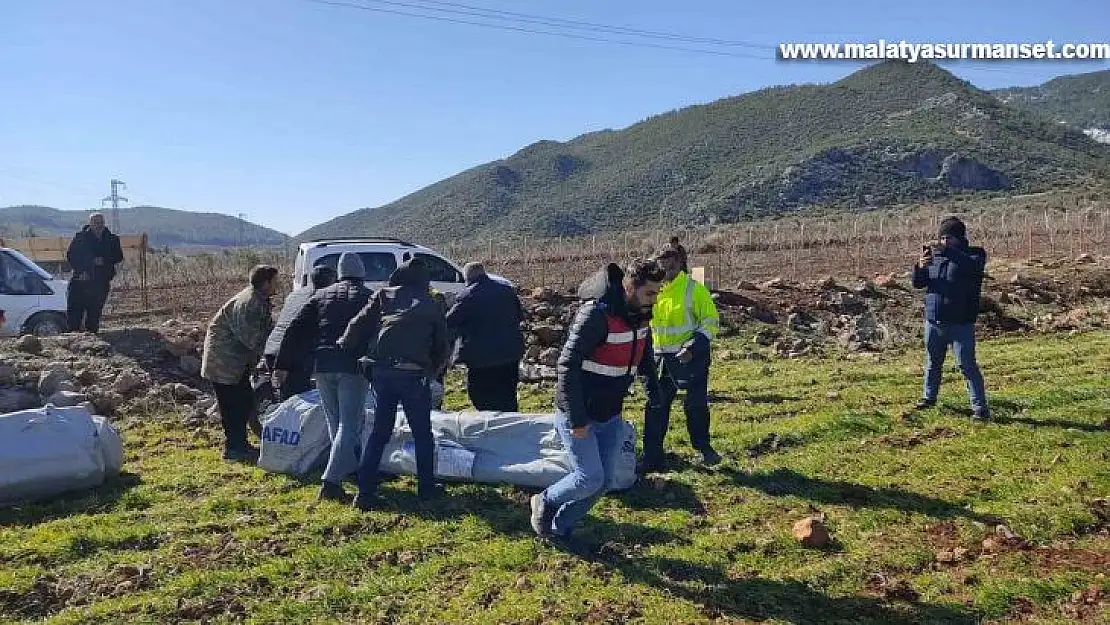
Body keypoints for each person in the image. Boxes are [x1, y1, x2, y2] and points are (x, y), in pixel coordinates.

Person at [530, 259, 663, 548]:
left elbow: (645, 353)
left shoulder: (641, 317)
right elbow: (567, 365)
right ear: (629, 287)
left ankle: (561, 528)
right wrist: (577, 419)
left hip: (610, 413)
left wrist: (654, 388)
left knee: (603, 482)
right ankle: (545, 500)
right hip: (579, 413)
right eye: (650, 293)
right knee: (588, 477)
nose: (655, 299)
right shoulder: (595, 315)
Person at [339, 258, 450, 508]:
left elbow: (358, 324)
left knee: (379, 433)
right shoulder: (431, 303)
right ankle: (426, 488)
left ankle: (364, 492)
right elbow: (443, 346)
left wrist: (345, 344)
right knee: (422, 433)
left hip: (382, 373)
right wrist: (431, 373)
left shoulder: (383, 296)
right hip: (413, 375)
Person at [275, 253, 373, 502]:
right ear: (362, 273)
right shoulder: (369, 297)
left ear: (339, 273)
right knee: (350, 424)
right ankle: (331, 481)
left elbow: (294, 329)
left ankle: (347, 468)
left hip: (321, 366)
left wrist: (282, 364)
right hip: (352, 367)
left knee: (335, 423)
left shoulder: (320, 296)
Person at [639, 244, 722, 473]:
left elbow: (710, 321)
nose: (665, 267)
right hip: (661, 359)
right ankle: (652, 457)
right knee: (656, 406)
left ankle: (704, 449)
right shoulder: (654, 291)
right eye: (662, 262)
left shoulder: (694, 289)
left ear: (679, 263)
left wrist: (693, 346)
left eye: (670, 262)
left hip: (690, 358)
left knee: (695, 405)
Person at [912, 216, 990, 420]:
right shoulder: (936, 258)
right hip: (934, 320)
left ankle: (980, 407)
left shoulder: (975, 255)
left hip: (961, 322)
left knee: (967, 365)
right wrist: (920, 267)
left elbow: (973, 268)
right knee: (932, 362)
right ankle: (929, 397)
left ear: (959, 238)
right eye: (942, 238)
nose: (944, 242)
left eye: (949, 238)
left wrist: (947, 251)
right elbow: (919, 283)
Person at [201, 265, 278, 461]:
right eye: (275, 281)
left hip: (237, 362)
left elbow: (268, 331)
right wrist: (273, 357)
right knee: (231, 405)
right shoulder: (248, 303)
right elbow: (252, 339)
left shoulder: (261, 301)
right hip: (223, 361)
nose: (278, 285)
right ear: (266, 283)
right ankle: (233, 448)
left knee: (243, 401)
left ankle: (240, 444)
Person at [446, 261, 526, 412]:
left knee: (480, 395)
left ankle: (490, 428)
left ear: (467, 278)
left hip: (482, 359)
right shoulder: (506, 291)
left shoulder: (467, 296)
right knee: (507, 395)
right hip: (510, 354)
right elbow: (519, 316)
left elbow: (449, 322)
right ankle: (511, 426)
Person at [263, 265, 338, 399]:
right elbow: (293, 332)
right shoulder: (320, 299)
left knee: (287, 401)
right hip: (289, 356)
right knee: (297, 402)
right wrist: (283, 366)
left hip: (272, 349)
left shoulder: (296, 294)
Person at [65, 213, 124, 333]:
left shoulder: (112, 239)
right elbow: (71, 256)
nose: (98, 225)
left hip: (100, 283)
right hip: (81, 282)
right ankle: (74, 342)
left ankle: (92, 344)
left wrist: (104, 260)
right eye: (95, 222)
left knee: (94, 316)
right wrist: (82, 269)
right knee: (74, 316)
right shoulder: (80, 238)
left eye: (100, 222)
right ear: (90, 223)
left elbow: (118, 256)